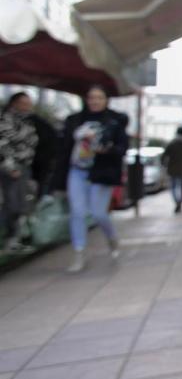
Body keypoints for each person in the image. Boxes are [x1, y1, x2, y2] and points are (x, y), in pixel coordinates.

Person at [54, 85, 128, 272]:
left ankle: (111, 237)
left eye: (99, 97)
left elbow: (122, 148)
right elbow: (63, 148)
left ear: (106, 100)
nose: (95, 101)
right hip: (77, 170)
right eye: (91, 97)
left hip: (101, 172)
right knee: (77, 212)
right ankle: (79, 252)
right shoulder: (75, 121)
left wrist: (107, 150)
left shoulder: (115, 121)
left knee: (98, 213)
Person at [0, 93, 38, 253]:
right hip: (11, 167)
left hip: (24, 166)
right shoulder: (6, 120)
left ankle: (15, 239)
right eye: (23, 103)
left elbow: (32, 142)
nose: (27, 106)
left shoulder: (26, 120)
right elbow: (3, 144)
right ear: (14, 103)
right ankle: (8, 239)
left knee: (21, 204)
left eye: (28, 103)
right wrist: (10, 167)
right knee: (12, 204)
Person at [162, 127, 182, 213]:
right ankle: (179, 203)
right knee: (181, 187)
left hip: (173, 168)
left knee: (173, 187)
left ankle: (177, 202)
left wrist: (164, 164)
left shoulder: (172, 143)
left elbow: (164, 156)